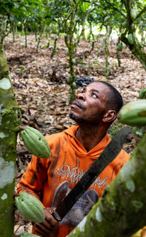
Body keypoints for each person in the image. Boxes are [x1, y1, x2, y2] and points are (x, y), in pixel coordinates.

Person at [17, 81, 129, 237]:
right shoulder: (50, 146)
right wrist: (39, 214)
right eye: (83, 91)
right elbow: (26, 188)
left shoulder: (123, 164)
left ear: (108, 115)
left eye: (93, 95)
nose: (80, 95)